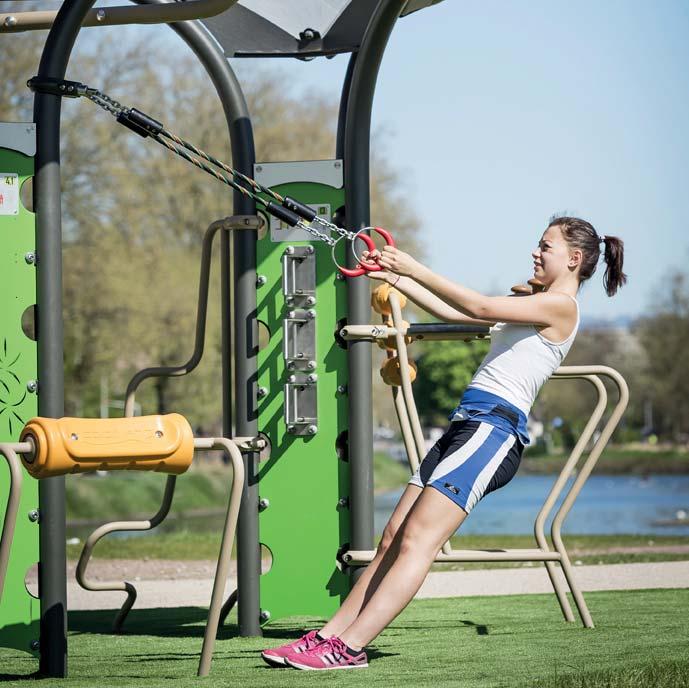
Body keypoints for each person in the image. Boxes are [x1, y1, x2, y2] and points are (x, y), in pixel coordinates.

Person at [261, 215, 627, 671]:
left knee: (417, 541)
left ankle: (350, 647)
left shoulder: (561, 308)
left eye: (545, 246)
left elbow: (477, 307)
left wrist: (413, 268)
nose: (536, 252)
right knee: (393, 537)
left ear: (574, 259)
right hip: (466, 427)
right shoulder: (536, 300)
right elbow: (457, 313)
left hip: (492, 433)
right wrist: (392, 275)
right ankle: (328, 635)